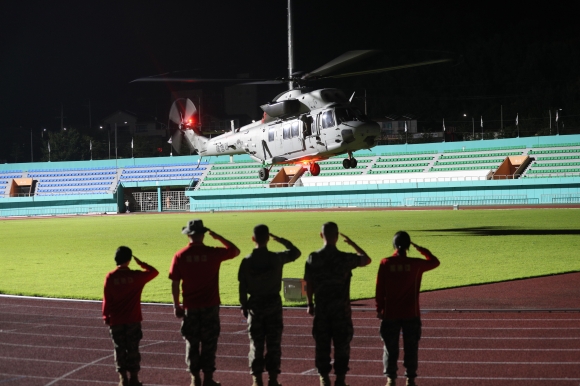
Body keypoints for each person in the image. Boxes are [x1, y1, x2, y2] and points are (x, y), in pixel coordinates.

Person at [169, 219, 241, 386]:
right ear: (203, 235)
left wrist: (176, 305)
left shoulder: (180, 256)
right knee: (209, 343)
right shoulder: (213, 253)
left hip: (190, 307)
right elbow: (235, 251)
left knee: (191, 343)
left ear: (188, 235)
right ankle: (208, 379)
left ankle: (195, 380)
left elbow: (174, 282)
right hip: (210, 306)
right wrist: (218, 237)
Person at [304, 222, 372, 386]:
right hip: (341, 311)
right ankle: (340, 379)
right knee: (342, 346)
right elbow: (366, 259)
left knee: (322, 345)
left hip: (322, 310)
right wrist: (352, 243)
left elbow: (308, 283)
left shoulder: (313, 258)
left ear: (321, 235)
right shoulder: (345, 258)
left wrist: (310, 304)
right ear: (337, 236)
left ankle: (324, 379)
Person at [238, 224, 301, 386]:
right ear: (268, 238)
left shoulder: (246, 261)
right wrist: (281, 240)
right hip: (273, 303)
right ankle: (273, 380)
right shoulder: (276, 258)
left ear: (253, 239)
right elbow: (296, 252)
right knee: (273, 344)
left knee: (256, 344)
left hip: (255, 305)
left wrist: (244, 306)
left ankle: (257, 380)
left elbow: (242, 287)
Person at [375, 231, 440, 386]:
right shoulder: (416, 264)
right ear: (408, 246)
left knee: (390, 348)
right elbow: (434, 261)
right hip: (411, 313)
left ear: (394, 245)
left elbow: (379, 289)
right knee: (411, 347)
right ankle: (410, 379)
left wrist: (379, 308)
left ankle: (390, 379)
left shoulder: (386, 263)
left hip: (390, 313)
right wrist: (421, 249)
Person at [102, 246, 159, 386]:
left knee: (119, 348)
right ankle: (134, 378)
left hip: (116, 319)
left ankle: (122, 379)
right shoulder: (136, 276)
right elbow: (154, 272)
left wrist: (105, 316)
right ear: (129, 259)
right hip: (133, 319)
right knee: (133, 348)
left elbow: (106, 299)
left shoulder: (111, 277)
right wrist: (141, 263)